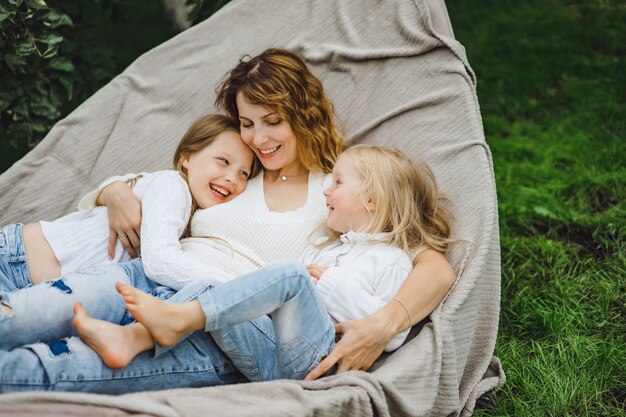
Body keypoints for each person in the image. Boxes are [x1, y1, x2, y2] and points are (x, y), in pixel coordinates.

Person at [0, 48, 455, 394]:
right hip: (142, 274)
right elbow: (172, 180)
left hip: (222, 324)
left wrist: (385, 323)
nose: (257, 138)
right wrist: (113, 189)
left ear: (303, 113)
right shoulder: (241, 168)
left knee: (49, 366)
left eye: (272, 121)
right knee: (21, 316)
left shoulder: (342, 190)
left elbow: (430, 264)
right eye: (247, 122)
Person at [73, 144, 453, 383]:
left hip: (314, 362)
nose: (327, 189)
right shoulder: (329, 245)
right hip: (272, 348)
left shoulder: (392, 260)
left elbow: (394, 332)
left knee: (288, 274)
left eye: (337, 182)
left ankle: (166, 324)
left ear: (371, 200)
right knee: (213, 289)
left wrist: (328, 286)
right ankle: (131, 338)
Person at [0, 113, 258, 348]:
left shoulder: (189, 212)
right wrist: (245, 289)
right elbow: (160, 261)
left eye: (244, 173)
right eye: (223, 161)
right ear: (187, 158)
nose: (232, 178)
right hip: (15, 264)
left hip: (39, 289)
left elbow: (127, 183)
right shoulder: (172, 185)